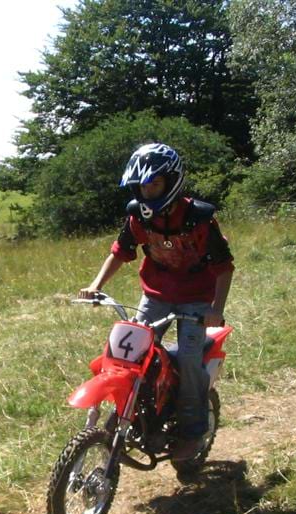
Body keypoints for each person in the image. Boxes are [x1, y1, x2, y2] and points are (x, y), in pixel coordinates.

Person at [78, 142, 234, 462]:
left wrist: (215, 309)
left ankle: (192, 431)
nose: (148, 191)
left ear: (171, 181)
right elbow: (121, 252)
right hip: (156, 295)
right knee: (131, 353)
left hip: (195, 299)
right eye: (143, 185)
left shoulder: (200, 218)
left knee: (190, 360)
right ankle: (138, 412)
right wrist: (95, 285)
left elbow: (223, 267)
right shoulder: (139, 216)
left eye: (155, 184)